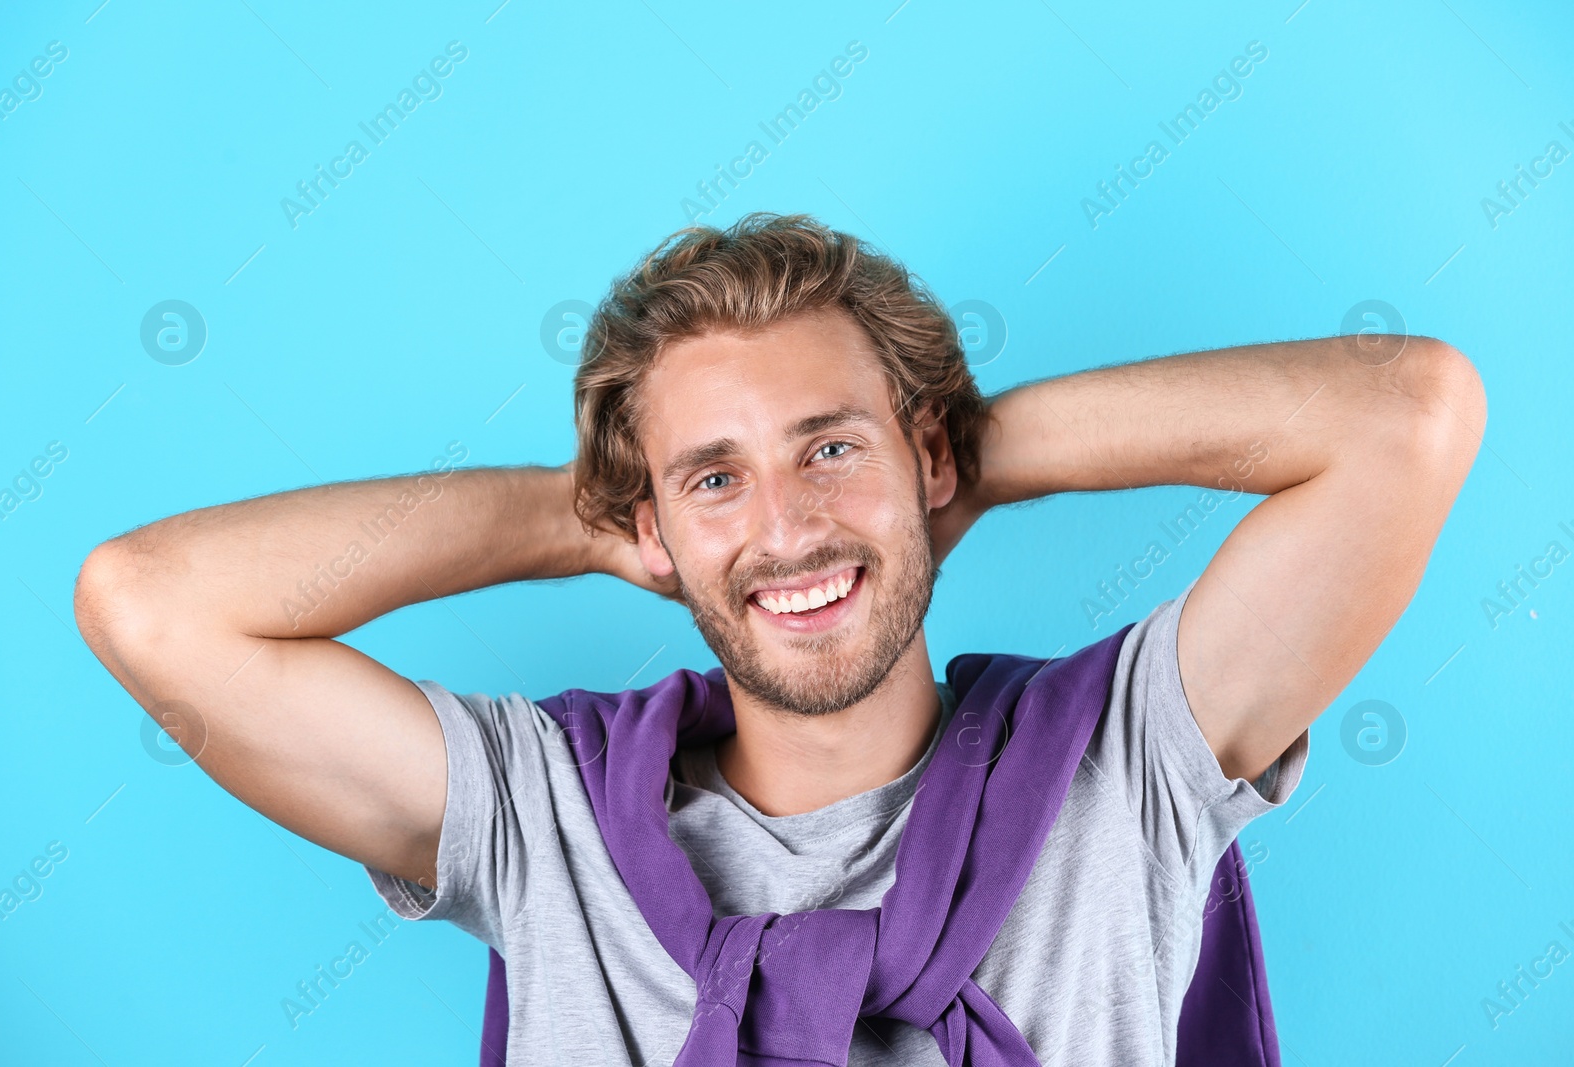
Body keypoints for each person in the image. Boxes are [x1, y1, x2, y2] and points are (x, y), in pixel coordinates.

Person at [73, 212, 1485, 1064]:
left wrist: (954, 473)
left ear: (928, 454)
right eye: (714, 477)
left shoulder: (1127, 758)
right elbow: (148, 600)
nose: (789, 529)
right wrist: (593, 518)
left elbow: (1406, 417)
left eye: (829, 449)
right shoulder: (538, 815)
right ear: (651, 526)